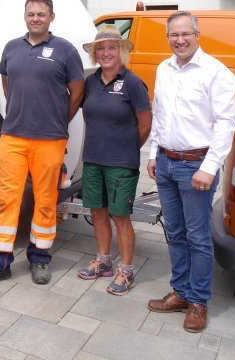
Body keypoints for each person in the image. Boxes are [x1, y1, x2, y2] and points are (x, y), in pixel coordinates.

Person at [0, 0, 84, 286]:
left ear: (51, 17)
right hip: (13, 137)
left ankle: (40, 258)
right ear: (25, 16)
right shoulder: (11, 48)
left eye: (41, 14)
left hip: (50, 139)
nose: (36, 18)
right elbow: (7, 85)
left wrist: (58, 120)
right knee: (6, 200)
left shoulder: (66, 50)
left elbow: (78, 91)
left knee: (46, 201)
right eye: (31, 13)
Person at [146, 11, 235, 333]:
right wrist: (154, 151)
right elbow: (160, 113)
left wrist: (209, 168)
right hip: (167, 163)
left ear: (197, 35)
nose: (180, 40)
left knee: (198, 237)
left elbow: (227, 125)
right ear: (168, 37)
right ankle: (180, 293)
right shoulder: (164, 68)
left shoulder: (216, 73)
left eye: (186, 34)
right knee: (175, 232)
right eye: (174, 35)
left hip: (196, 166)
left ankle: (198, 302)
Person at [77, 26, 151, 295]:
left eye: (111, 47)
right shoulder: (90, 82)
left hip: (121, 162)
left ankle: (127, 270)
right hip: (93, 158)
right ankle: (104, 261)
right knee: (97, 212)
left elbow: (145, 125)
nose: (106, 53)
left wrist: (126, 149)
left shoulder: (133, 83)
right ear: (95, 54)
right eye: (101, 48)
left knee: (120, 216)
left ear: (120, 51)